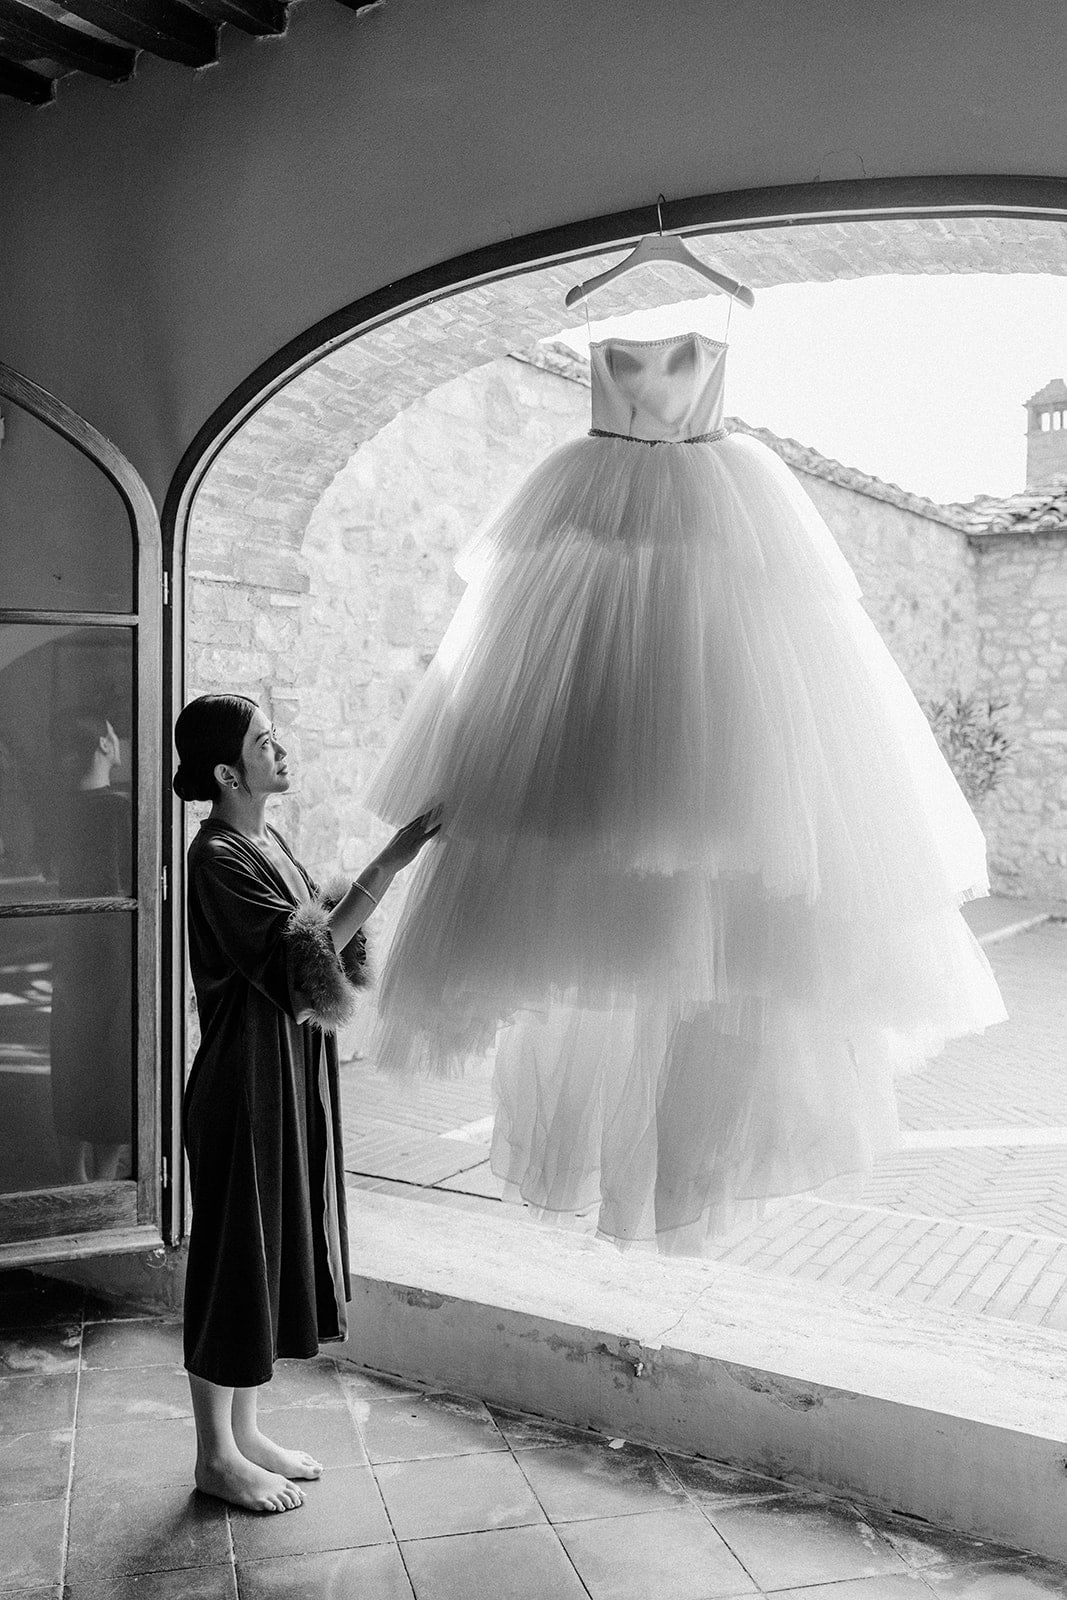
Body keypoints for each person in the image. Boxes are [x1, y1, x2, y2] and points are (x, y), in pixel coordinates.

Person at [364, 329, 1007, 1254]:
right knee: (643, 916)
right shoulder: (602, 473)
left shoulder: (721, 468)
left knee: (715, 925)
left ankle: (688, 1173)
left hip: (688, 566)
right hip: (630, 578)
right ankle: (659, 1180)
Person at [173, 692, 438, 1514]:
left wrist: (375, 876)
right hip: (242, 1084)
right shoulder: (216, 857)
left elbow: (311, 940)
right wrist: (386, 865)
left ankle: (246, 1434)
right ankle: (214, 1456)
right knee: (232, 1262)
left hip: (282, 1074)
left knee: (265, 1254)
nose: (280, 750)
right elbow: (300, 963)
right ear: (228, 773)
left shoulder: (265, 842)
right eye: (264, 742)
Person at [50, 709, 132, 1184]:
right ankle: (103, 1179)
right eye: (113, 733)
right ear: (103, 744)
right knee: (111, 1063)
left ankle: (74, 1176)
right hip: (113, 948)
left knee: (73, 1055)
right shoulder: (119, 809)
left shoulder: (60, 811)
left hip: (72, 944)